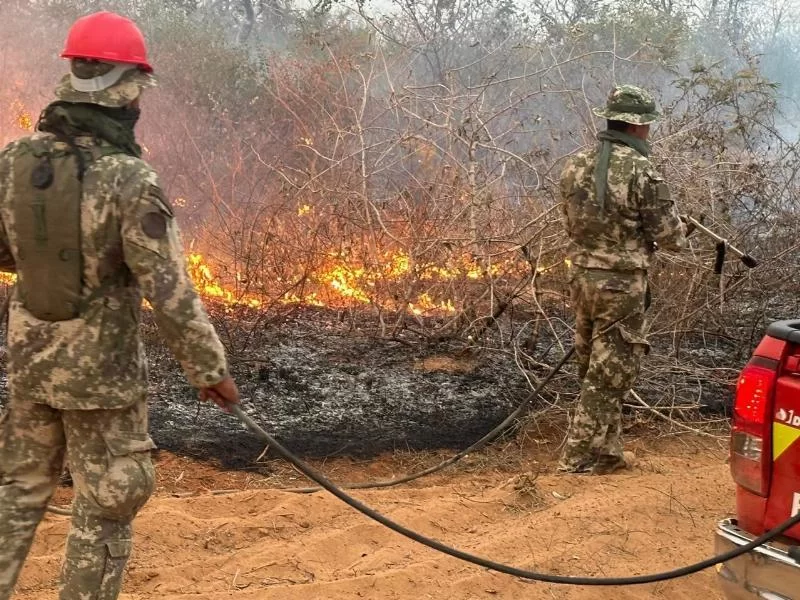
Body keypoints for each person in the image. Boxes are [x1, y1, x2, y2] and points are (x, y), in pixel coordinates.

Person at [0, 11, 240, 599]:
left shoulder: (13, 160)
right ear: (128, 85)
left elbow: (8, 254)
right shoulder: (130, 179)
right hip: (102, 384)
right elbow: (170, 291)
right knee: (107, 503)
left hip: (32, 368)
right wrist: (210, 372)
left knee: (14, 497)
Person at [558, 84, 687, 475]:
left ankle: (607, 454)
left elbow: (570, 222)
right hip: (620, 286)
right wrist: (674, 231)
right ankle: (575, 459)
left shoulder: (575, 164)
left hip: (581, 278)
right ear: (637, 126)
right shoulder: (641, 170)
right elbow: (670, 236)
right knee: (610, 374)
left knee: (593, 369)